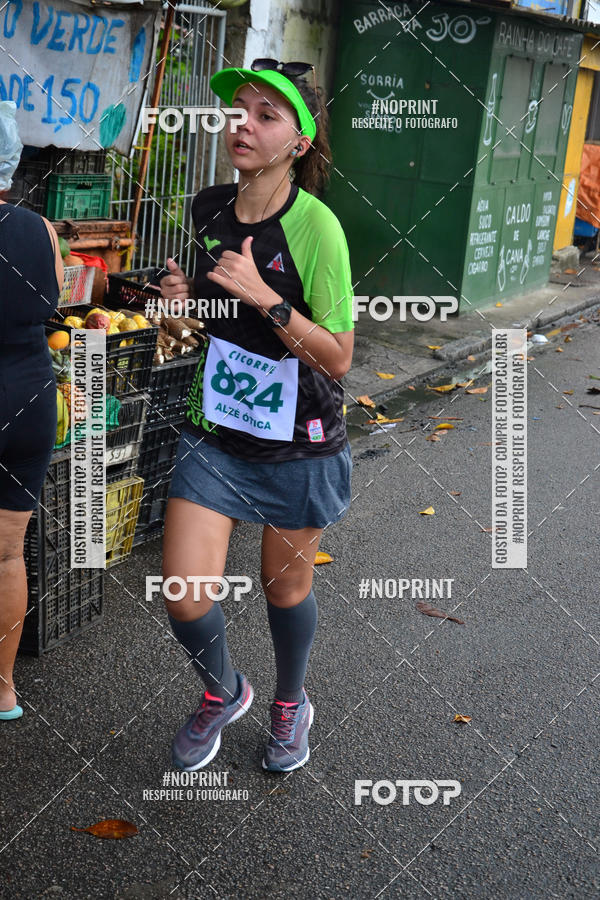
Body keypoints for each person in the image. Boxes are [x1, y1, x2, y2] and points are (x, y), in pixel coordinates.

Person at [160, 60, 354, 773]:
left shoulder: (317, 228)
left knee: (285, 588)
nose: (243, 123)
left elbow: (337, 358)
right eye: (238, 108)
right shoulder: (208, 207)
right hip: (216, 432)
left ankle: (289, 702)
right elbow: (204, 324)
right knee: (184, 593)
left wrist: (265, 298)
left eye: (266, 116)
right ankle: (225, 691)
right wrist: (184, 307)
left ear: (298, 144)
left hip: (297, 444)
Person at [0, 101, 64, 720]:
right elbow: (56, 300)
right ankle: (3, 690)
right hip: (29, 398)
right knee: (6, 553)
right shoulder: (42, 230)